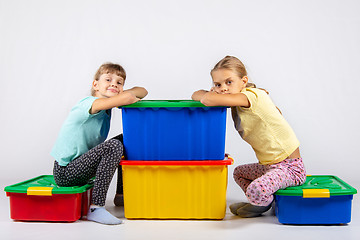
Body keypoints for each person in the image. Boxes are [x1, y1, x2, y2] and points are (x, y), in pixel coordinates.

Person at [192, 56, 306, 218]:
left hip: (290, 168)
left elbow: (205, 98)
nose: (223, 88)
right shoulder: (239, 100)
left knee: (255, 189)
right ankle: (263, 200)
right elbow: (201, 96)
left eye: (229, 82)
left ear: (243, 81)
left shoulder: (249, 96)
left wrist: (209, 94)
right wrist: (207, 94)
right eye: (218, 84)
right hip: (270, 166)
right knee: (239, 173)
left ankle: (261, 201)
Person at [51, 62, 148, 224]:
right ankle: (96, 208)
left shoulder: (107, 107)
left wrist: (123, 94)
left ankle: (121, 195)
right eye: (108, 80)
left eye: (119, 82)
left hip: (83, 166)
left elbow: (143, 91)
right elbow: (129, 97)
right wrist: (123, 95)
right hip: (65, 172)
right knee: (114, 146)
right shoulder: (89, 104)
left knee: (127, 138)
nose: (113, 84)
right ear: (95, 84)